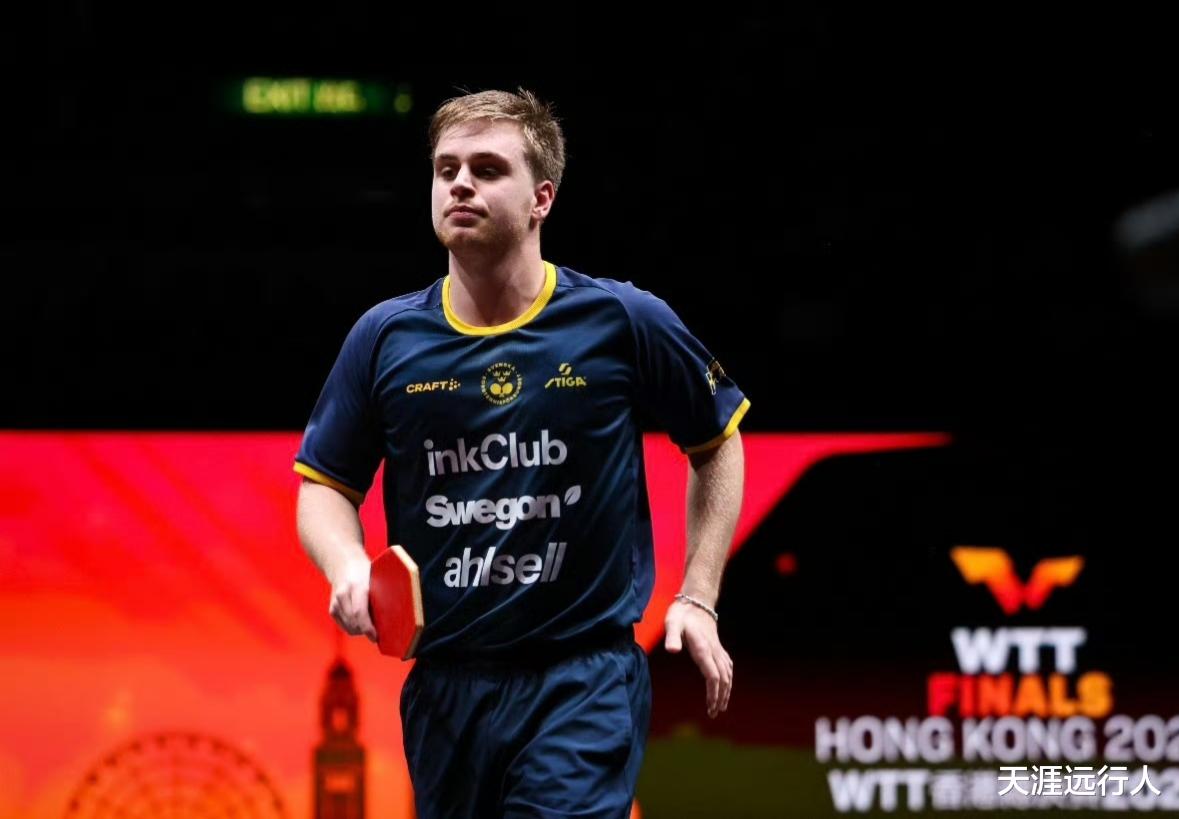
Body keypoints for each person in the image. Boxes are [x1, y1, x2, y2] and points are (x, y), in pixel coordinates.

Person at [294, 88, 748, 819]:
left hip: (581, 680)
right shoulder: (384, 338)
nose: (459, 184)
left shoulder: (621, 319)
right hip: (446, 689)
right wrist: (347, 565)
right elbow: (324, 486)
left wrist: (698, 597)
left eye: (486, 168)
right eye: (445, 169)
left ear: (542, 198)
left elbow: (717, 441)